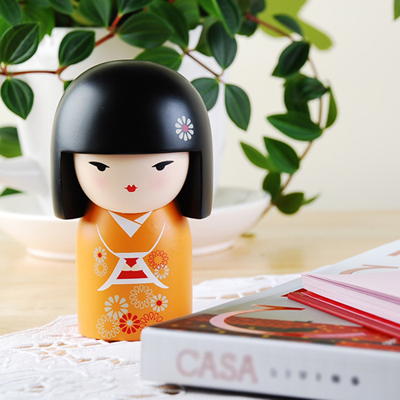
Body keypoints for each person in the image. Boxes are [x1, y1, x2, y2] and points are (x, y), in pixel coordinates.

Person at [52, 60, 213, 340]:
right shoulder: (94, 225)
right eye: (100, 167)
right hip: (104, 323)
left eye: (160, 166)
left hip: (169, 325)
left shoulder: (171, 223)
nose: (131, 184)